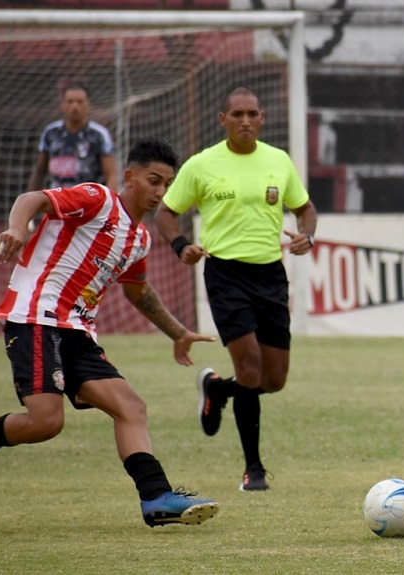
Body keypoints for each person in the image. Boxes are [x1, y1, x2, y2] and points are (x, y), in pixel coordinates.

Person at [0, 138, 220, 528]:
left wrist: (178, 333)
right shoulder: (97, 199)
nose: (160, 192)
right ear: (129, 177)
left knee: (131, 407)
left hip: (78, 331)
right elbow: (33, 197)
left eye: (167, 184)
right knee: (46, 422)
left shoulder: (140, 239)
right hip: (36, 317)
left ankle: (157, 498)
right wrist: (16, 228)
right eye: (153, 181)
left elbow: (138, 291)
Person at [155, 87, 317, 492]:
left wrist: (307, 236)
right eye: (237, 114)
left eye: (252, 114)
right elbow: (165, 212)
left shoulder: (277, 161)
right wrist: (181, 245)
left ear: (262, 118)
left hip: (270, 275)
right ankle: (253, 470)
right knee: (249, 367)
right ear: (222, 119)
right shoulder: (201, 165)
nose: (245, 120)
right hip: (225, 274)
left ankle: (216, 389)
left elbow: (305, 208)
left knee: (273, 378)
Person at [28, 82, 119, 193]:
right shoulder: (50, 133)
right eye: (70, 102)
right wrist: (30, 198)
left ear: (88, 104)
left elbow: (111, 174)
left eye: (80, 102)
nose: (75, 106)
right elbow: (39, 170)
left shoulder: (99, 135)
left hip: (87, 200)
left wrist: (109, 203)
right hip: (56, 200)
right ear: (62, 104)